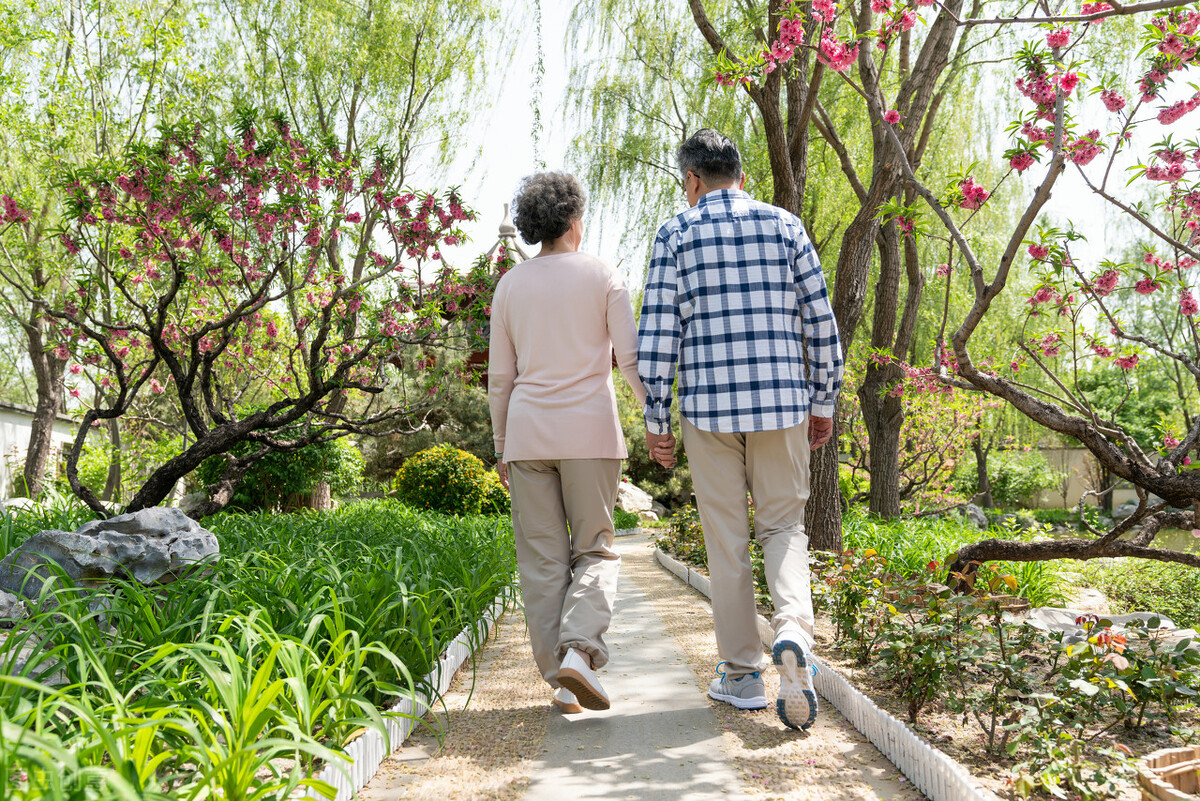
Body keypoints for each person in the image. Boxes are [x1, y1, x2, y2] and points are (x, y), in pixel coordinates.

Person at [637, 129, 843, 731]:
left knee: (726, 539)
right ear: (741, 176)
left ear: (693, 181)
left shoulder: (676, 233)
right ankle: (793, 631)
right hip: (784, 406)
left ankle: (744, 675)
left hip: (708, 410)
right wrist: (823, 400)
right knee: (783, 525)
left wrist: (656, 419)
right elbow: (820, 323)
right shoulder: (785, 227)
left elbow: (656, 337)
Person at [488, 171, 647, 714]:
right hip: (591, 434)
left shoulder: (510, 284)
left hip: (528, 436)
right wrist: (657, 415)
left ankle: (560, 677)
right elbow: (628, 359)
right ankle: (579, 651)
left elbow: (500, 380)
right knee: (596, 550)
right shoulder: (603, 274)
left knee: (542, 562)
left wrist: (501, 442)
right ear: (574, 220)